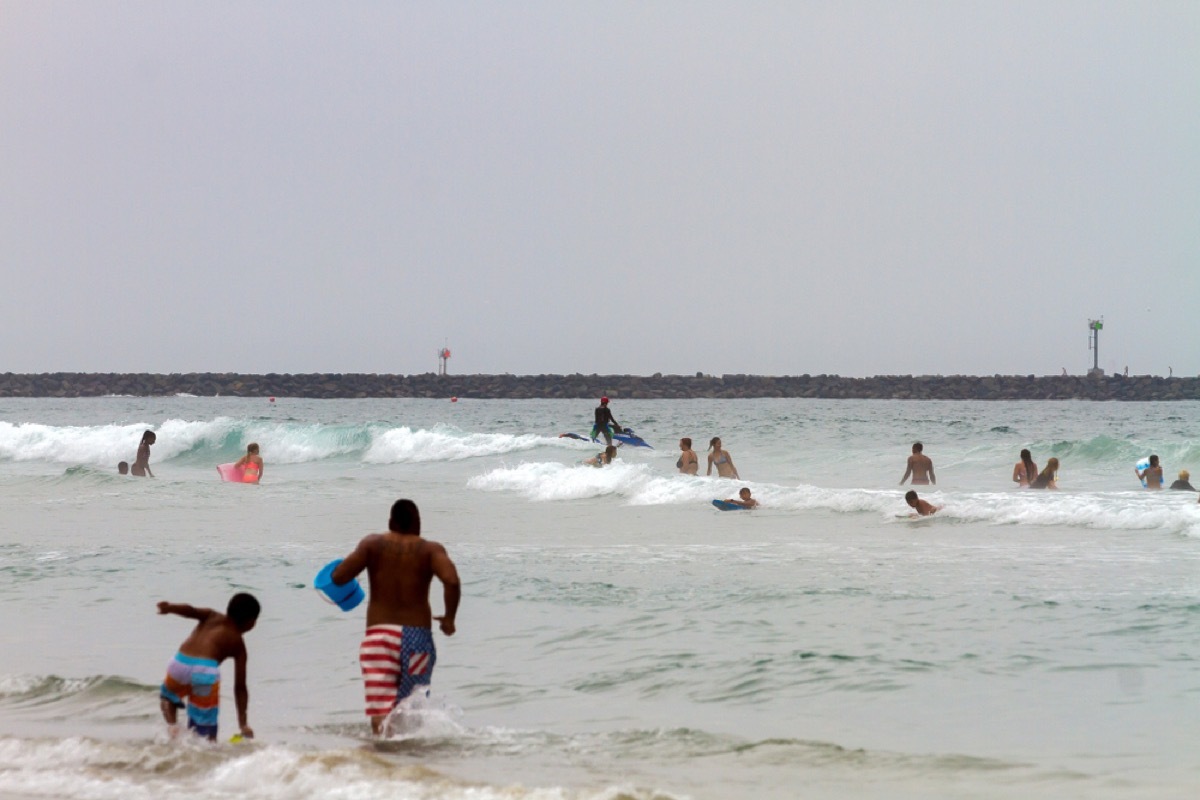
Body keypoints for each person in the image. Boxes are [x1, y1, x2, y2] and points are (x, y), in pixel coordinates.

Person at [330, 499, 461, 736]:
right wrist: (449, 619)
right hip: (417, 639)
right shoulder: (431, 550)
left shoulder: (372, 544)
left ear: (391, 522)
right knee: (414, 709)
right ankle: (408, 761)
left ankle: (382, 763)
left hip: (379, 639)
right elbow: (451, 580)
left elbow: (339, 577)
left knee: (380, 710)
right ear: (418, 523)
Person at [158, 593, 260, 741]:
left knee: (167, 698)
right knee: (205, 732)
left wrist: (171, 608)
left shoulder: (212, 616)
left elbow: (190, 611)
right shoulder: (238, 644)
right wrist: (243, 724)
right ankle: (206, 750)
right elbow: (240, 687)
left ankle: (173, 727)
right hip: (204, 673)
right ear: (251, 622)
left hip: (179, 664)